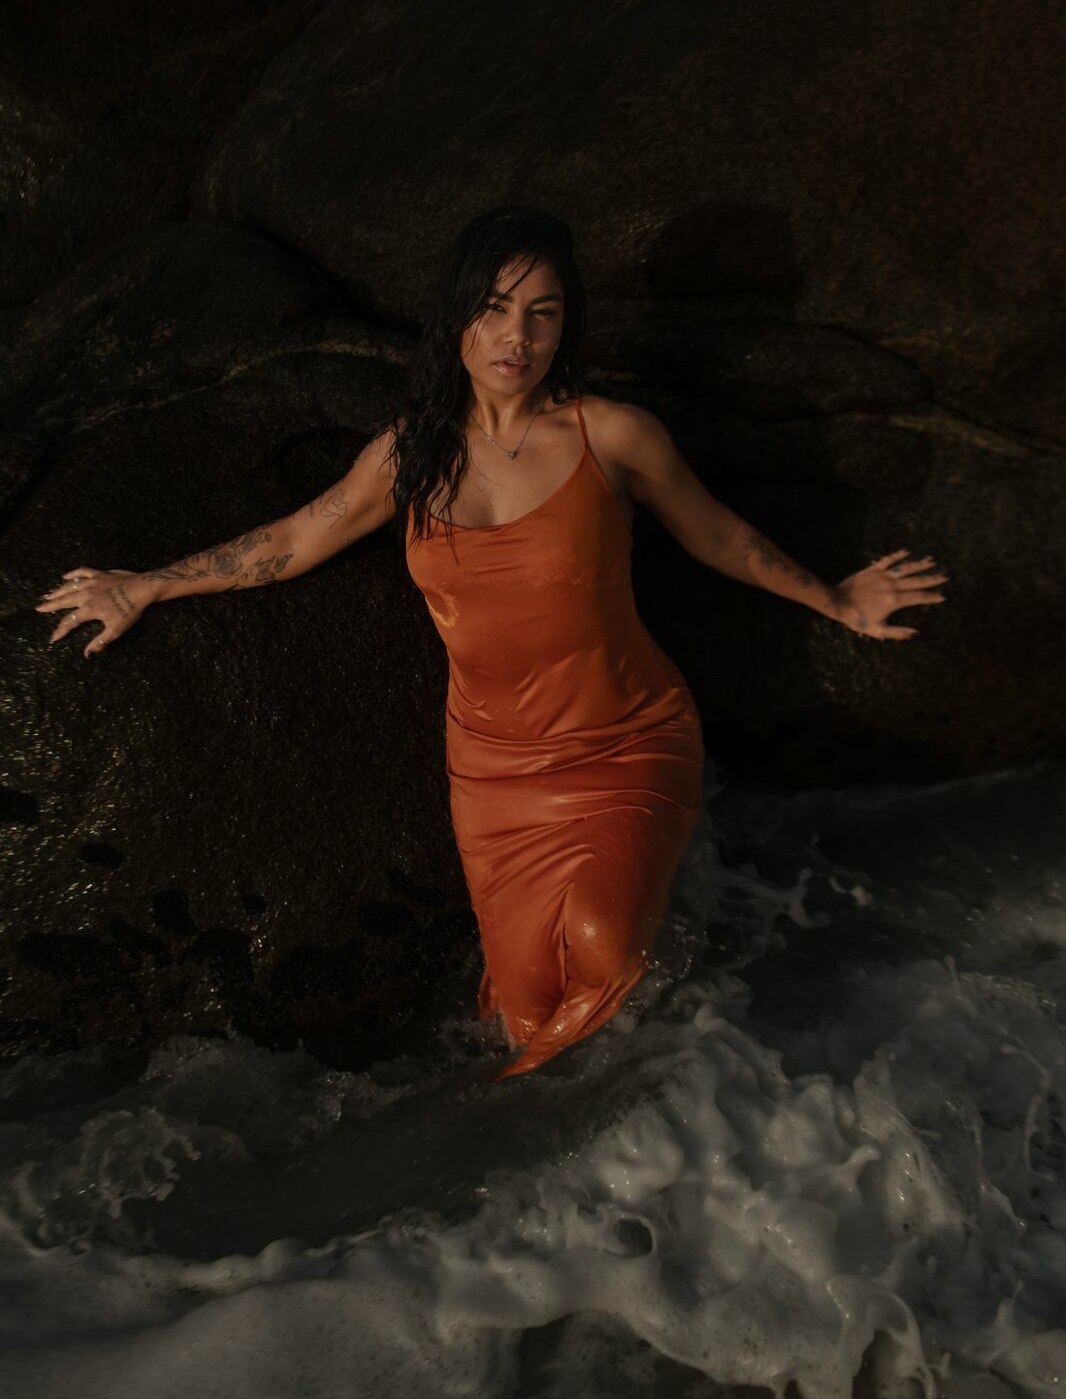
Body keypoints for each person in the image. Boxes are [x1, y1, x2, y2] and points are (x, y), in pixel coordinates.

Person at [34, 204, 949, 1079]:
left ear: (564, 329)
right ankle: (557, 1147)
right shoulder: (412, 454)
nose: (518, 336)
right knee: (527, 1009)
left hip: (624, 740)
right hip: (494, 775)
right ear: (459, 319)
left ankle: (532, 1144)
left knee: (600, 955)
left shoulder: (613, 434)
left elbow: (714, 535)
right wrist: (146, 583)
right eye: (496, 308)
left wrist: (835, 598)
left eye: (542, 315)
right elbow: (295, 539)